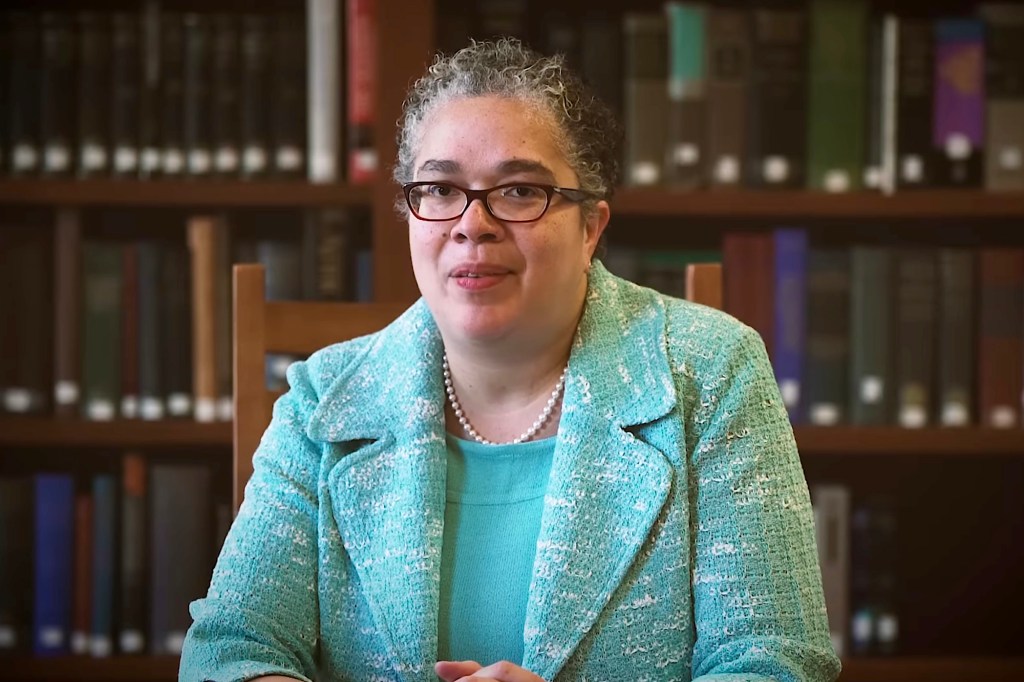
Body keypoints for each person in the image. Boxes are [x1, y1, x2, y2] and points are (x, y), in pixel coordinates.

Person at [180, 37, 841, 682]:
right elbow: (231, 650)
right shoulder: (325, 401)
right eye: (438, 191)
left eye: (520, 191)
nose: (473, 223)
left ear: (591, 228)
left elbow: (775, 660)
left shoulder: (712, 374)